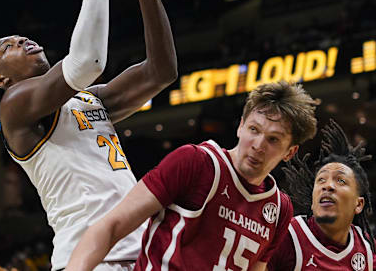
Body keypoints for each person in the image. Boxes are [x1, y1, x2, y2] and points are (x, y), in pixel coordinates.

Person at [0, 0, 178, 271]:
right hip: (89, 258)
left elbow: (161, 71)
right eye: (7, 47)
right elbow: (87, 62)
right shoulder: (15, 108)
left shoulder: (88, 100)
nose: (21, 41)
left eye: (20, 37)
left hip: (143, 253)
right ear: (1, 79)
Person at [66, 81, 319, 271]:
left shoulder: (279, 209)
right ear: (241, 126)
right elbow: (110, 226)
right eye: (254, 129)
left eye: (273, 139)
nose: (258, 145)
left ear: (290, 152)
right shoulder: (197, 163)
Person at [269, 120, 376, 271]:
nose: (328, 186)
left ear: (358, 204)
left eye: (341, 180)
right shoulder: (287, 236)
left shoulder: (368, 250)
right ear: (312, 202)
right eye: (321, 180)